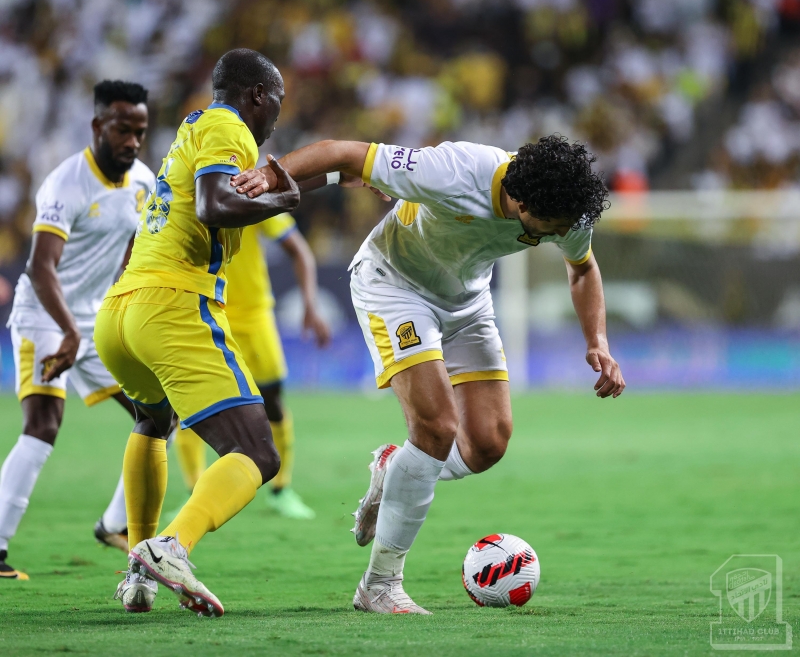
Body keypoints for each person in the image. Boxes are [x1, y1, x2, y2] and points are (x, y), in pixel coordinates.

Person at [232, 134, 626, 614]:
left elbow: (582, 268)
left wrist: (597, 341)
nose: (552, 236)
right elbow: (343, 154)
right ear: (521, 200)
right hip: (394, 284)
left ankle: (395, 467)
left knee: (487, 442)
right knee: (437, 428)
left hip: (466, 302)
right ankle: (379, 584)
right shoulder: (456, 169)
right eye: (545, 229)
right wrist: (271, 176)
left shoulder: (567, 209)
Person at [94, 48, 307, 617]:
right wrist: (283, 201)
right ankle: (171, 546)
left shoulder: (188, 131)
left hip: (120, 310)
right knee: (257, 452)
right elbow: (214, 206)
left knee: (153, 420)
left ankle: (139, 568)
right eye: (277, 105)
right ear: (257, 96)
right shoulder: (228, 127)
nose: (275, 119)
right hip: (172, 302)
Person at [0, 81, 154, 580]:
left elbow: (135, 250)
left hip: (95, 319)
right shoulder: (65, 184)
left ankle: (114, 524)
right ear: (98, 126)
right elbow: (42, 266)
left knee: (157, 413)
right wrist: (68, 332)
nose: (132, 141)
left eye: (140, 131)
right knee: (43, 424)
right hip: (45, 316)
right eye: (122, 130)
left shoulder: (144, 182)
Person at [173, 212, 330, 520]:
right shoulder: (187, 195)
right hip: (205, 310)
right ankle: (194, 491)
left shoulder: (251, 194)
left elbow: (299, 250)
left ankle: (281, 490)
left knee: (271, 400)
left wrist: (310, 305)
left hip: (254, 315)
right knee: (188, 402)